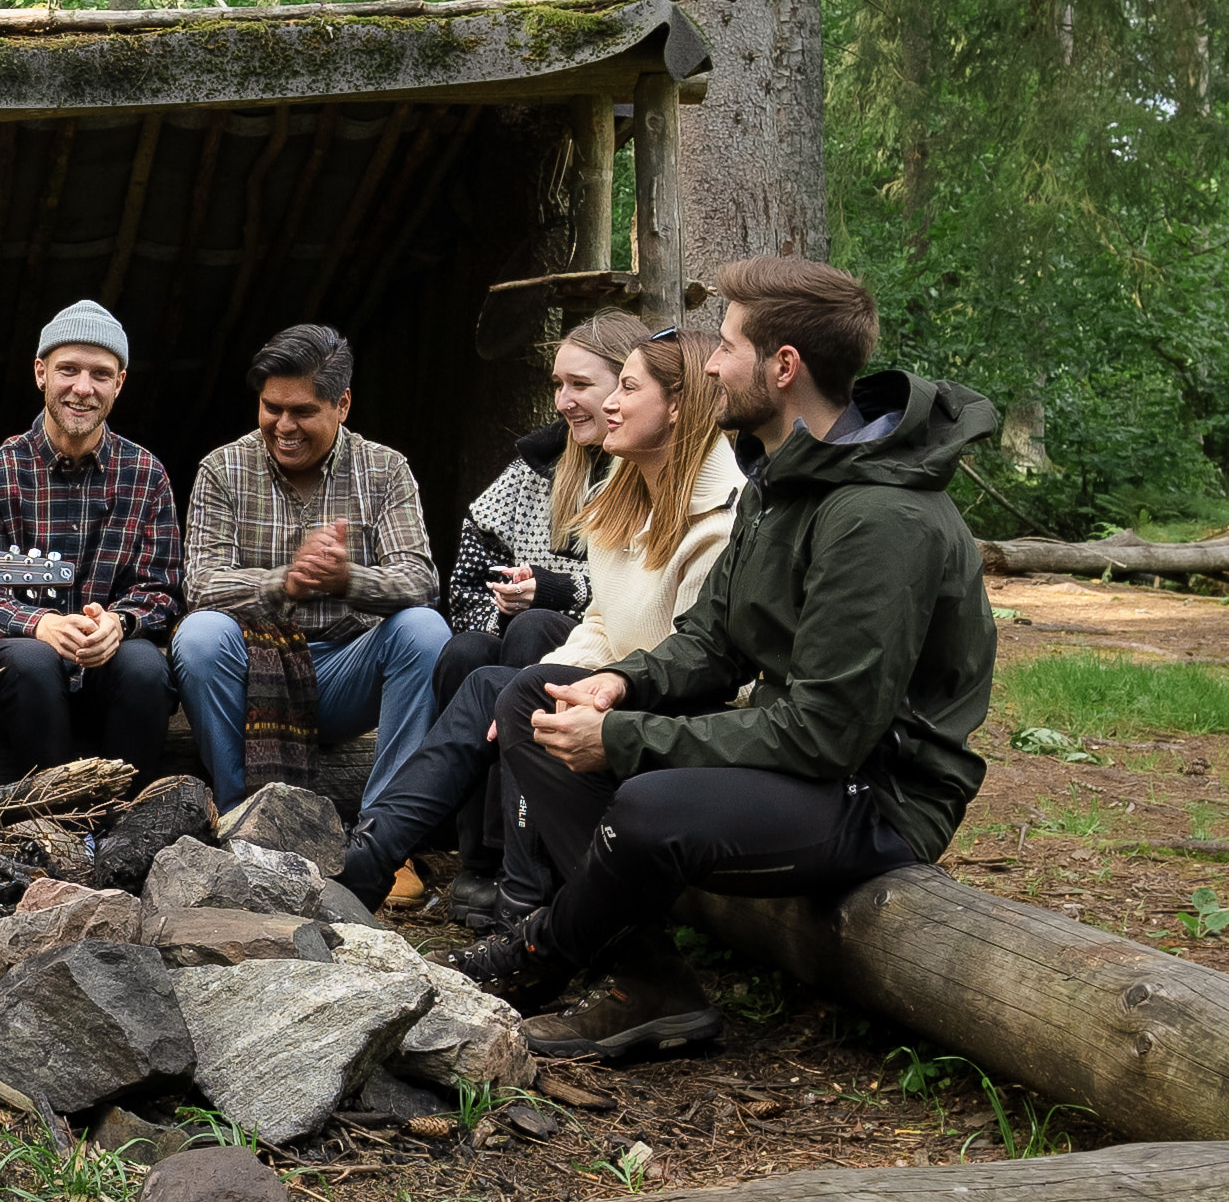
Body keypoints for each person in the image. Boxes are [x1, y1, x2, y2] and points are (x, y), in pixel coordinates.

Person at [444, 258, 998, 1062]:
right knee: (537, 698)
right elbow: (715, 640)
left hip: (876, 795)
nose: (707, 364)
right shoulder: (787, 477)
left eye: (727, 346)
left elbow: (826, 735)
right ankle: (650, 982)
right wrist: (617, 681)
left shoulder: (878, 519)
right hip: (810, 764)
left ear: (783, 367)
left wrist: (625, 739)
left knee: (648, 808)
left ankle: (537, 954)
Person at [341, 316, 745, 925]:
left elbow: (697, 667)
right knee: (491, 684)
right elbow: (603, 626)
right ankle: (370, 857)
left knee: (521, 685)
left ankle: (521, 897)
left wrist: (557, 693)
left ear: (679, 410)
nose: (607, 404)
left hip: (680, 724)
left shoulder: (719, 526)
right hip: (621, 692)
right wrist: (555, 682)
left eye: (627, 389)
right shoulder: (625, 503)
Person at [173, 323, 453, 839]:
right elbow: (200, 585)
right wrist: (284, 582)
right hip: (254, 668)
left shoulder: (385, 470)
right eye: (271, 408)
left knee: (425, 631)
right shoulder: (223, 469)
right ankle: (242, 821)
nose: (283, 425)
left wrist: (347, 580)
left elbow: (421, 581)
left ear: (342, 405)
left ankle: (385, 834)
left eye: (302, 411)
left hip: (349, 669)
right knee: (199, 636)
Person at [429, 310, 645, 922]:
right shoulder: (534, 470)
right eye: (559, 385)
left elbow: (633, 588)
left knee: (532, 629)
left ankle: (521, 857)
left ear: (625, 386)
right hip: (517, 642)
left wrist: (551, 589)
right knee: (466, 650)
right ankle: (475, 857)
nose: (564, 400)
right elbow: (465, 584)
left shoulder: (642, 465)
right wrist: (501, 602)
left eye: (581, 384)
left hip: (608, 658)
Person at [0, 301, 180, 775]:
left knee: (145, 668)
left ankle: (126, 826)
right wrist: (40, 623)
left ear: (119, 383)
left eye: (101, 374)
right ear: (40, 373)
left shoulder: (147, 474)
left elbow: (162, 589)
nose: (83, 388)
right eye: (68, 370)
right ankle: (49, 827)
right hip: (24, 684)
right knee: (33, 662)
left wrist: (119, 623)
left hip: (110, 676)